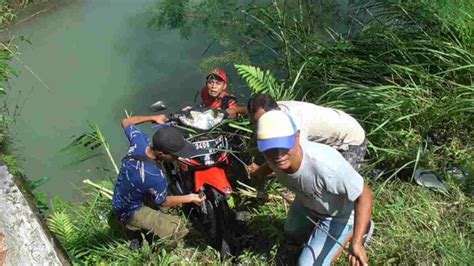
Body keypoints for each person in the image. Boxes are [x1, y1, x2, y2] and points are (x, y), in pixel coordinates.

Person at [256, 110, 373, 266]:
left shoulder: (326, 166)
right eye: (270, 149)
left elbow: (364, 195)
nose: (278, 155)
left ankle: (360, 230)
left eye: (283, 147)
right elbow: (268, 165)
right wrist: (258, 173)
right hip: (308, 202)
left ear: (297, 137)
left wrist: (357, 244)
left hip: (339, 215)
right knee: (291, 232)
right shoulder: (272, 158)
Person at [112, 114, 206, 248]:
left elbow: (126, 122)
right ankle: (156, 251)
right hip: (130, 210)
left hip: (123, 193)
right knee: (177, 229)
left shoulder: (140, 141)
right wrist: (190, 198)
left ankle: (135, 233)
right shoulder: (154, 176)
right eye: (175, 155)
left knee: (157, 206)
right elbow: (164, 201)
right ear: (161, 154)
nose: (178, 158)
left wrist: (153, 117)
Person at [232, 94, 367, 180]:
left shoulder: (295, 125)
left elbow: (293, 159)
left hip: (350, 141)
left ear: (276, 111)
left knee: (335, 181)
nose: (260, 125)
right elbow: (253, 111)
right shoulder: (270, 109)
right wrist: (236, 110)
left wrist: (261, 171)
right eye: (256, 122)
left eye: (262, 121)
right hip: (329, 136)